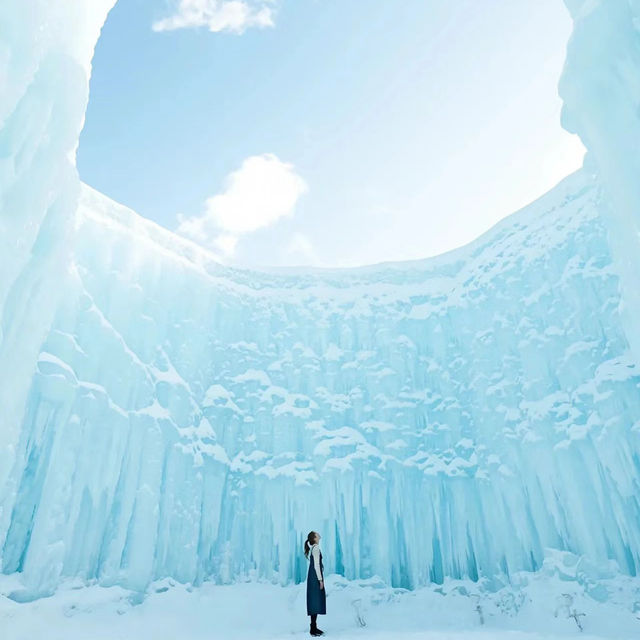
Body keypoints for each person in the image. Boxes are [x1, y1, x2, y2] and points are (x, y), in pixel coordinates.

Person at [304, 530, 326, 636]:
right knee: (315, 601)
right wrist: (320, 580)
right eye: (317, 534)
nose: (319, 534)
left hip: (312, 575)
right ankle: (313, 629)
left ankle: (313, 627)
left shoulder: (313, 548)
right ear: (314, 538)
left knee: (314, 601)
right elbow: (317, 565)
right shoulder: (316, 548)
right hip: (315, 577)